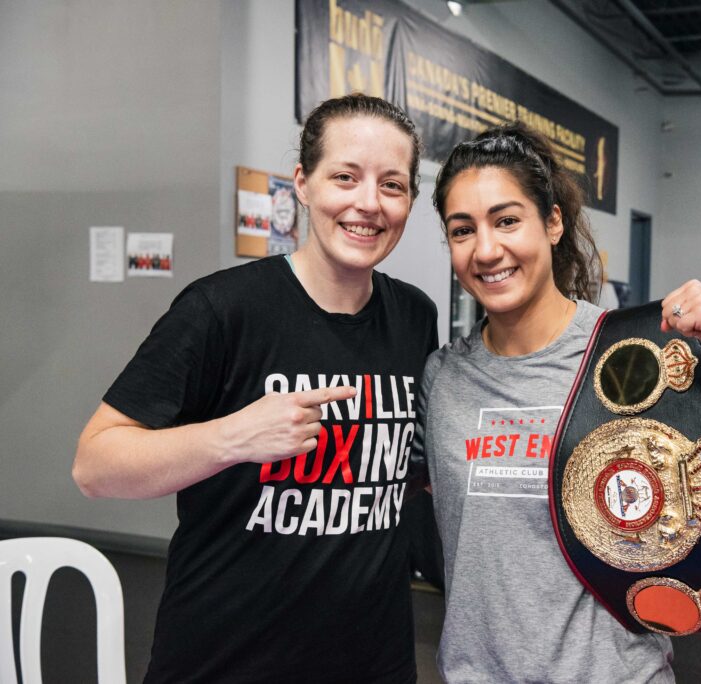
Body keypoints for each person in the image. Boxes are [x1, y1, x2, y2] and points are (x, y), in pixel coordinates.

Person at [73, 94, 437, 684]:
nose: (369, 203)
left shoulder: (415, 317)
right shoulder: (222, 309)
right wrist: (231, 438)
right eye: (345, 177)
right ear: (303, 184)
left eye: (391, 185)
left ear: (409, 201)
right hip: (228, 660)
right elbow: (94, 466)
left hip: (375, 661)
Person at [414, 122, 701, 683]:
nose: (487, 249)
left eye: (507, 220)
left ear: (552, 222)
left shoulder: (629, 353)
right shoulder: (444, 377)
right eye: (462, 230)